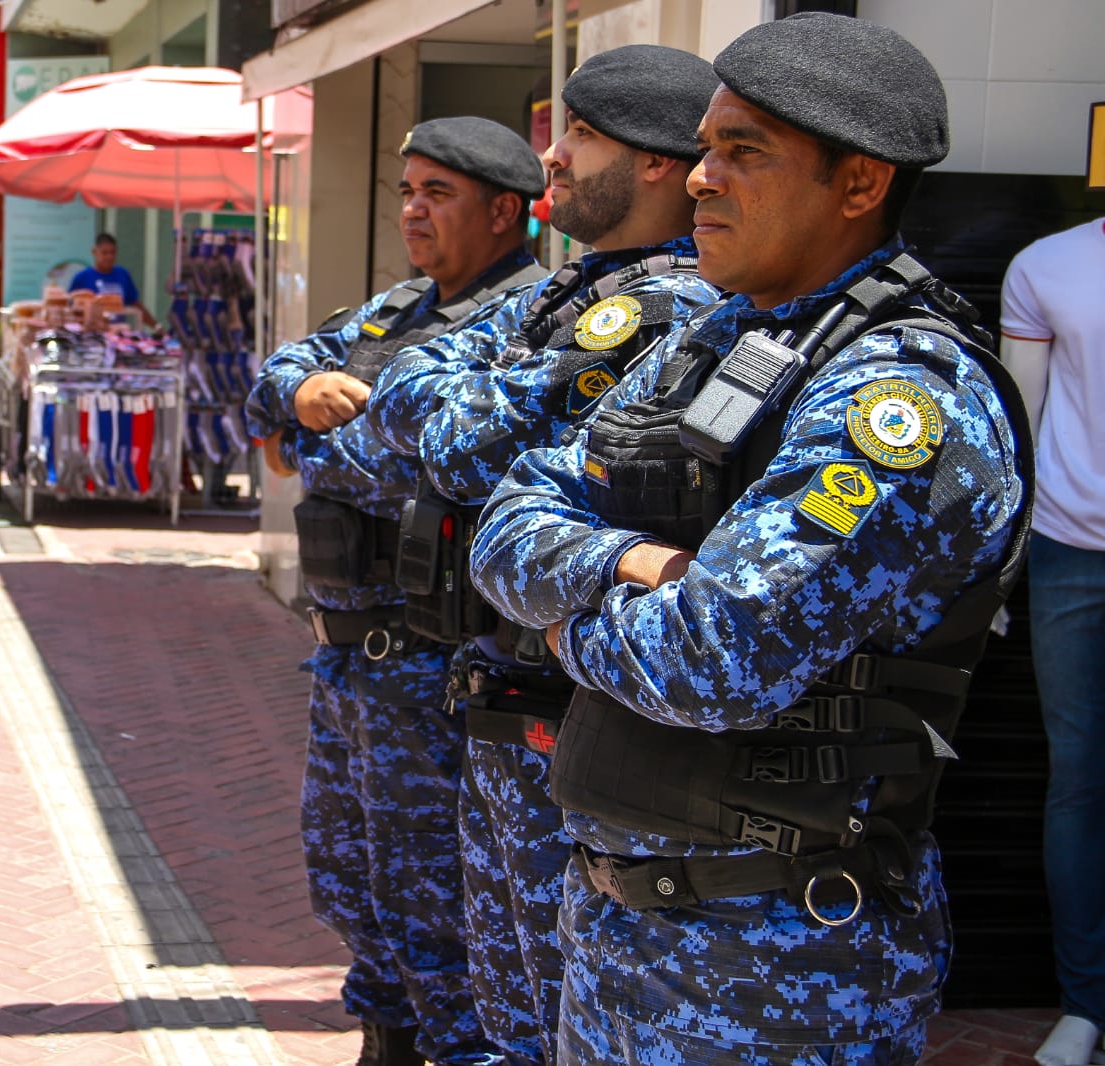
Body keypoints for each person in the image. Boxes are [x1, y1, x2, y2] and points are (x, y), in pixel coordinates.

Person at [468, 14, 1030, 1063]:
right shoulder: (719, 334)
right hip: (623, 933)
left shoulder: (898, 391)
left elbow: (711, 659)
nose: (696, 179)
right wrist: (623, 561)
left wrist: (559, 633)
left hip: (777, 963)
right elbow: (506, 521)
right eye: (706, 145)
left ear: (858, 185)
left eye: (743, 152)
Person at [363, 46, 720, 1065]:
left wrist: (455, 393)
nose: (550, 158)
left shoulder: (663, 306)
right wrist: (448, 391)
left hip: (572, 713)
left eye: (580, 135)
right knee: (502, 999)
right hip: (506, 686)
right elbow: (403, 382)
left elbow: (456, 438)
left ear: (656, 161)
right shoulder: (569, 293)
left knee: (552, 1012)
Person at [246, 116, 548, 1066]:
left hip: (437, 664)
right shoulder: (396, 310)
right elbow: (273, 380)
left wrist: (315, 437)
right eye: (408, 190)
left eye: (438, 194)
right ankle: (385, 1040)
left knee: (442, 904)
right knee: (352, 882)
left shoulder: (531, 314)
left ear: (506, 210)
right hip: (348, 655)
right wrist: (301, 400)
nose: (413, 210)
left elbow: (438, 466)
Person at [1001, 220, 1105, 1066]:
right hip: (1075, 552)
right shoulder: (1050, 264)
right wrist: (998, 570)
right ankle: (1087, 1004)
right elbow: (1018, 428)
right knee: (1080, 779)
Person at [69, 233, 157, 328]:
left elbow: (136, 305)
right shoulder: (82, 277)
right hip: (92, 335)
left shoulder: (122, 274)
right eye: (105, 253)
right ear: (94, 252)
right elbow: (70, 308)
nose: (109, 257)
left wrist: (156, 326)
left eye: (112, 252)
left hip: (118, 333)